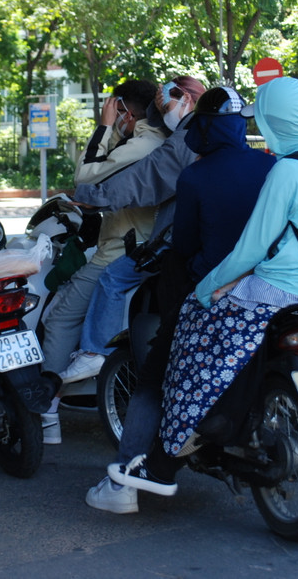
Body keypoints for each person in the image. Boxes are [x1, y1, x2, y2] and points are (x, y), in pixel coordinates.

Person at [109, 76, 298, 500]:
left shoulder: (287, 170)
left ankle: (165, 462)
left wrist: (207, 290)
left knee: (187, 350)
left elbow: (250, 248)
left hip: (276, 291)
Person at [85, 85, 275, 514]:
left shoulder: (196, 175)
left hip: (206, 294)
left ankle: (124, 482)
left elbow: (184, 243)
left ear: (204, 126)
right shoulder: (273, 167)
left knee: (153, 377)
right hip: (271, 295)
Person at [38, 79, 162, 443]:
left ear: (125, 110)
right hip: (144, 249)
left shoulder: (142, 144)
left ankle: (47, 411)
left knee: (58, 317)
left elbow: (86, 174)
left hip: (120, 254)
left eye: (114, 108)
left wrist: (104, 126)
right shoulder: (158, 142)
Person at [61, 77, 205, 386]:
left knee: (81, 303)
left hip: (165, 244)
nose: (164, 109)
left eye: (167, 102)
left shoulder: (179, 142)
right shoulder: (209, 135)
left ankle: (91, 354)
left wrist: (89, 197)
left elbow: (135, 183)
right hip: (215, 239)